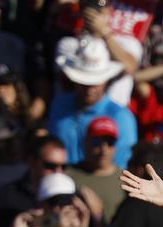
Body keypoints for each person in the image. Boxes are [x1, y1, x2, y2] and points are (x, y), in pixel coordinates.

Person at [48, 37, 137, 168]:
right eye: (84, 82)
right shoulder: (59, 105)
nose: (89, 88)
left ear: (107, 81)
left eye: (95, 82)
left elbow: (121, 165)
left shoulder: (122, 116)